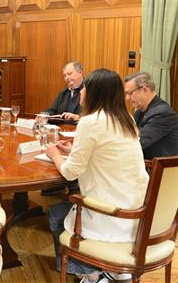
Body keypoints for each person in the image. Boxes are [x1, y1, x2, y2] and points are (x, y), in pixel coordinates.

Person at [45, 68, 149, 283]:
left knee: (55, 214)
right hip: (138, 212)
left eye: (84, 89)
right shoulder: (126, 119)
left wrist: (55, 154)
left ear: (94, 93)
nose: (81, 93)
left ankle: (92, 275)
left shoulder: (90, 122)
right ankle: (113, 271)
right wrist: (72, 151)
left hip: (111, 214)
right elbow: (108, 156)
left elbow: (70, 173)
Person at [41, 61, 84, 196]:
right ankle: (57, 183)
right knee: (49, 146)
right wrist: (43, 115)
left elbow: (95, 115)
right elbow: (52, 110)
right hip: (61, 134)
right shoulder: (63, 93)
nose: (67, 78)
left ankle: (73, 185)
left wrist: (77, 116)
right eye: (64, 75)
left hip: (79, 134)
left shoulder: (88, 92)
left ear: (80, 72)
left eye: (70, 74)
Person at [124, 71, 178, 159]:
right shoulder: (139, 112)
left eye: (130, 93)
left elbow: (137, 143)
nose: (127, 98)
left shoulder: (163, 113)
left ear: (144, 89)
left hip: (160, 170)